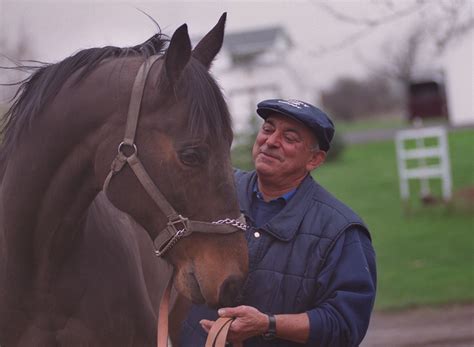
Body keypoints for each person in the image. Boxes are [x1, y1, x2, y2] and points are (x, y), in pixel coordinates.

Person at [179, 99, 377, 346]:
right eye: (268, 129)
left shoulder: (341, 231)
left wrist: (268, 324)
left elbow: (345, 324)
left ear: (314, 159)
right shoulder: (213, 192)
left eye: (290, 138)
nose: (271, 141)